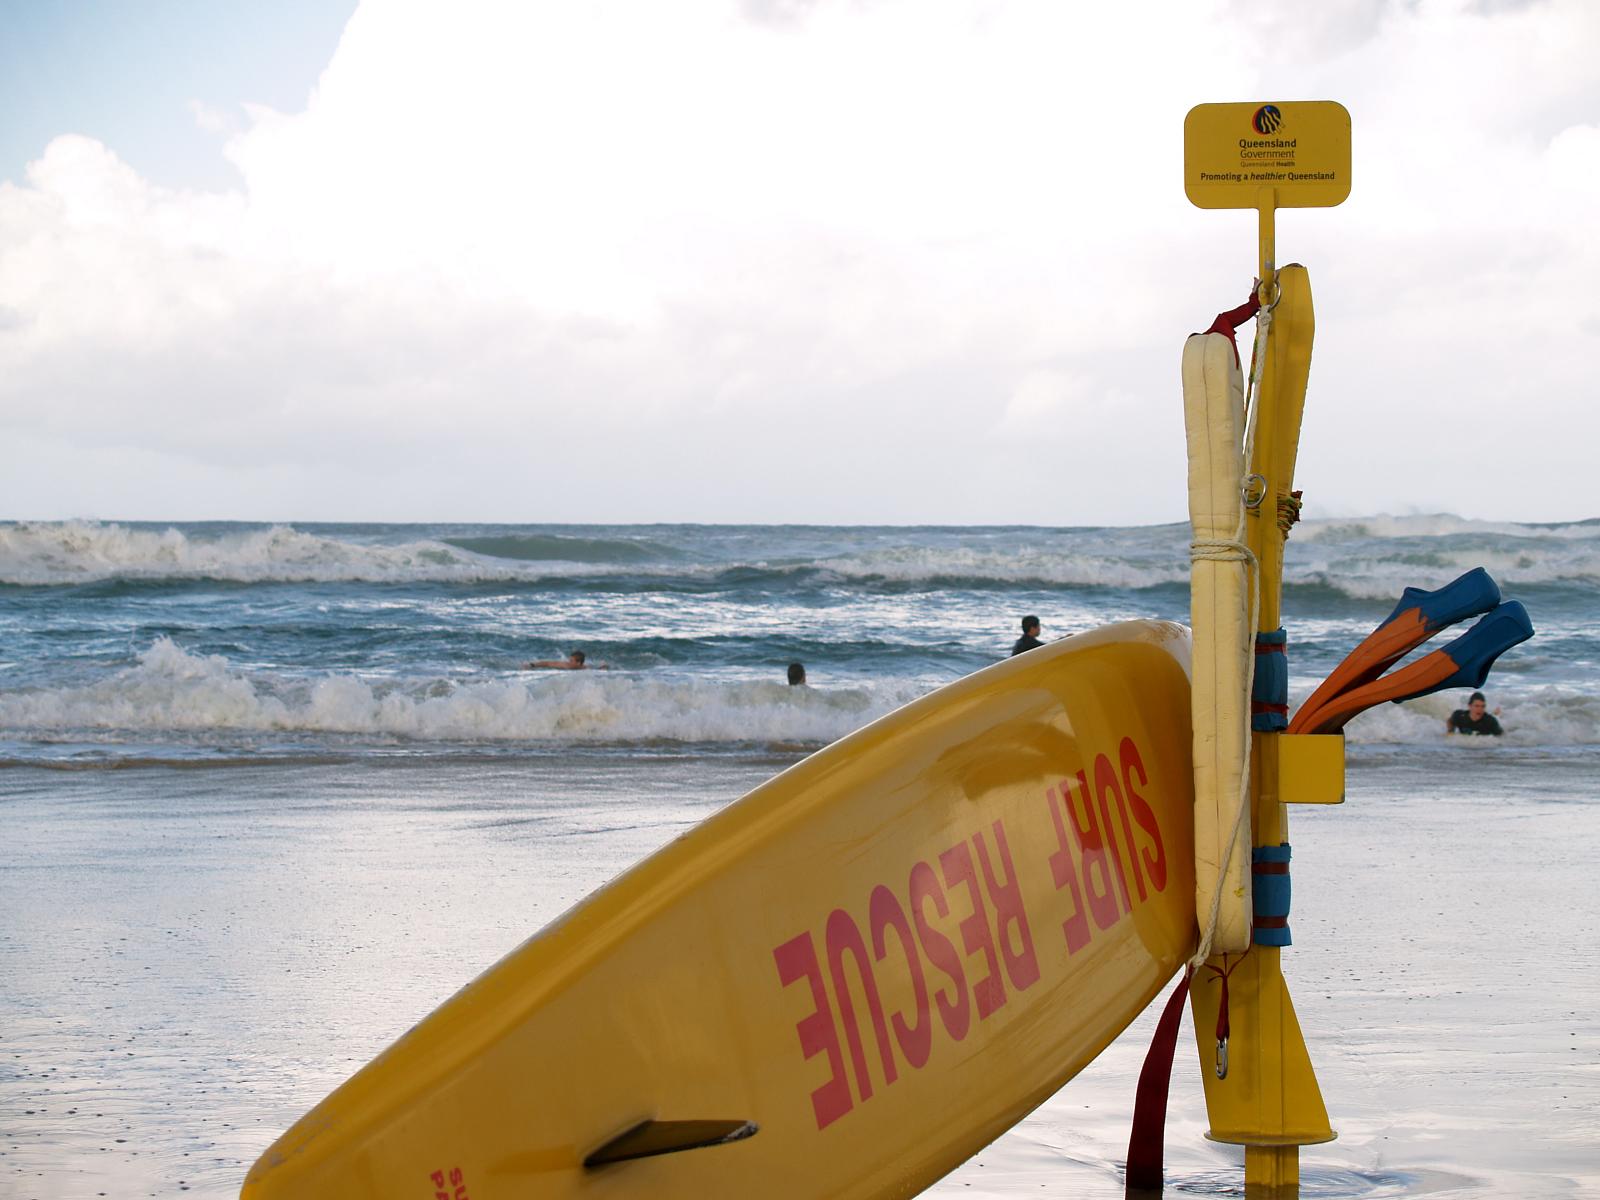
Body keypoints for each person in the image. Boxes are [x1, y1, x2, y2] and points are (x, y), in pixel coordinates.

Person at [524, 650, 606, 670]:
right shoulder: (565, 665)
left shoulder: (584, 668)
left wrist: (603, 667)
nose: (569, 662)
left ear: (578, 663)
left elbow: (596, 669)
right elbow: (547, 663)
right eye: (569, 660)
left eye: (571, 661)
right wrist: (532, 665)